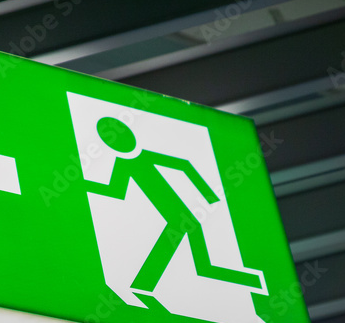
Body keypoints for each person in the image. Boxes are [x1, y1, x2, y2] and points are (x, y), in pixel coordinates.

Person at [90, 116, 262, 293]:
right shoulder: (122, 165)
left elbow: (183, 165)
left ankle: (143, 285)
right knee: (196, 257)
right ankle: (143, 285)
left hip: (182, 212)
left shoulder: (147, 156)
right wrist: (85, 184)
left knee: (198, 258)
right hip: (176, 215)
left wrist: (209, 194)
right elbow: (115, 190)